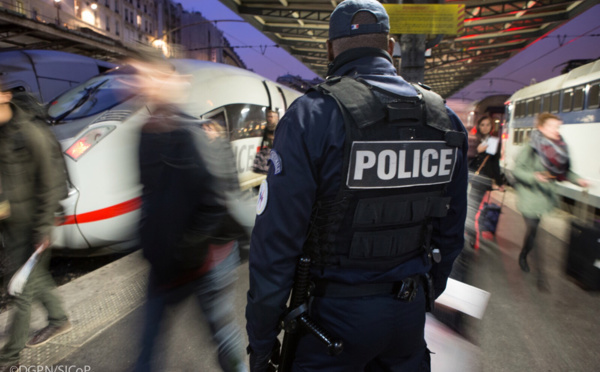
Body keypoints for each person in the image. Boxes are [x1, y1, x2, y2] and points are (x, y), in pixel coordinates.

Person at [245, 1, 468, 371]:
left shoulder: (311, 116)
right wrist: (421, 295)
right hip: (407, 319)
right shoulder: (445, 119)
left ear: (330, 49)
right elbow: (451, 232)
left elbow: (275, 247)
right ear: (391, 47)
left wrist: (262, 343)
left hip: (329, 324)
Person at [129, 55, 247, 372]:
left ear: (173, 82)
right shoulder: (145, 133)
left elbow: (216, 201)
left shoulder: (197, 134)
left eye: (149, 76)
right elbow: (149, 192)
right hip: (166, 260)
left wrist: (186, 250)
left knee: (222, 334)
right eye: (138, 77)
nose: (141, 84)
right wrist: (150, 240)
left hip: (208, 261)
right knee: (148, 340)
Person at [0, 85, 71, 370]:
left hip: (34, 226)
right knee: (34, 279)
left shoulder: (30, 133)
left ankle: (9, 358)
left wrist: (43, 229)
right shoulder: (2, 134)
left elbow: (50, 182)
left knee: (21, 290)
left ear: (5, 95)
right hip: (12, 226)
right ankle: (59, 320)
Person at [513, 112, 589, 291]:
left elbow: (566, 172)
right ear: (541, 128)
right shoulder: (531, 147)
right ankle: (541, 277)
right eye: (551, 126)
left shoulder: (560, 148)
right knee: (535, 231)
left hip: (545, 197)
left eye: (557, 126)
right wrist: (535, 176)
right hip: (529, 195)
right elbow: (517, 170)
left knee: (532, 233)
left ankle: (524, 253)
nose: (556, 130)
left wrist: (579, 180)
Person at [465, 116, 504, 243]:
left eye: (488, 125)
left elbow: (495, 164)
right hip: (469, 177)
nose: (485, 127)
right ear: (479, 126)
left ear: (491, 127)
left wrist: (499, 182)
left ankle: (471, 235)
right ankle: (466, 230)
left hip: (482, 180)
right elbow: (465, 157)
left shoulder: (493, 141)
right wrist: (476, 152)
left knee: (473, 207)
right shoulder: (473, 140)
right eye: (483, 125)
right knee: (466, 205)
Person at [252, 109, 279, 174]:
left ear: (276, 117)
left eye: (271, 117)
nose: (269, 119)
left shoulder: (279, 127)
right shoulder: (267, 128)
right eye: (268, 116)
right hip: (269, 153)